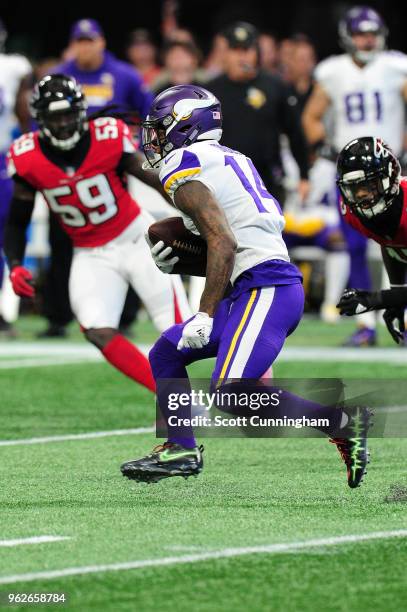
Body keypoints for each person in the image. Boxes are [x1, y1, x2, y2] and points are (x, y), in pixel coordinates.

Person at [120, 85, 370, 488]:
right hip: (256, 284)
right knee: (167, 351)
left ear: (186, 124)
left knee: (231, 391)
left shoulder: (183, 163)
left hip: (265, 287)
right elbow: (236, 242)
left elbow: (224, 241)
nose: (155, 137)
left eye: (162, 127)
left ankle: (341, 422)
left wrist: (204, 313)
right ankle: (180, 447)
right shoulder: (227, 156)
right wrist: (188, 259)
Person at [4, 74, 190, 392]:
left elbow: (153, 179)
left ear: (80, 112)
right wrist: (16, 263)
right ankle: (170, 396)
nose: (62, 124)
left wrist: (189, 208)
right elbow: (17, 220)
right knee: (96, 328)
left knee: (181, 333)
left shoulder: (108, 135)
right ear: (40, 119)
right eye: (54, 117)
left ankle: (247, 363)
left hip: (136, 239)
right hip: (90, 253)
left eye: (67, 115)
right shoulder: (26, 156)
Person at [40, 18, 155, 338]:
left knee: (124, 238)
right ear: (73, 44)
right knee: (60, 243)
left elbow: (150, 116)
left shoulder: (125, 75)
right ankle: (57, 317)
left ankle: (127, 316)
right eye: (80, 41)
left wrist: (142, 148)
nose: (85, 46)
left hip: (112, 169)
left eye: (91, 40)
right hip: (64, 172)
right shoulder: (60, 77)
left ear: (101, 42)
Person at [302, 6, 407, 345]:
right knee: (356, 247)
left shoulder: (395, 66)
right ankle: (367, 326)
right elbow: (311, 118)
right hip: (352, 177)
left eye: (372, 33)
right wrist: (329, 148)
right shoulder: (333, 71)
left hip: (390, 172)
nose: (367, 39)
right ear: (348, 36)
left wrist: (401, 151)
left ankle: (392, 308)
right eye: (361, 33)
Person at [208, 21, 309, 207]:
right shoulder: (210, 92)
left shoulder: (274, 86)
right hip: (224, 182)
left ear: (257, 54)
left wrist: (304, 174)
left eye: (247, 50)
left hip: (268, 180)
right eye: (236, 50)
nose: (242, 56)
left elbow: (295, 132)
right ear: (226, 54)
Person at [335, 136, 407, 345]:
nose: (362, 195)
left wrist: (376, 300)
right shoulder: (352, 213)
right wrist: (397, 294)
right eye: (354, 188)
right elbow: (392, 245)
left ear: (390, 177)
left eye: (370, 184)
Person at [0, 18, 31, 336]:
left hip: (1, 159)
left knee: (6, 234)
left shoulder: (12, 67)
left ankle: (1, 311)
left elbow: (24, 111)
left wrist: (29, 144)